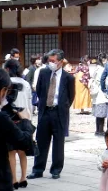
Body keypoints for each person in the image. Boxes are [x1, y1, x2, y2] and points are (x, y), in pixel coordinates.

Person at [29, 49, 75, 180]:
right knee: (41, 141)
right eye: (49, 61)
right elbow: (38, 90)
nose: (50, 63)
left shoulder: (68, 77)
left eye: (53, 61)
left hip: (59, 112)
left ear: (60, 62)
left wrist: (63, 107)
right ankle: (38, 169)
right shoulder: (43, 73)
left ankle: (56, 169)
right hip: (45, 111)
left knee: (58, 143)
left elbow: (71, 96)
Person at [4, 59, 33, 189]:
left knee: (11, 152)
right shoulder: (26, 83)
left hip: (10, 119)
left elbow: (3, 103)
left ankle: (13, 180)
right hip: (24, 118)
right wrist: (29, 120)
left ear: (8, 69)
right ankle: (23, 178)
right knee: (22, 151)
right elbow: (30, 103)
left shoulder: (5, 84)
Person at [89, 55, 108, 136]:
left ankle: (98, 130)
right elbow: (104, 81)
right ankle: (100, 130)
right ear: (104, 60)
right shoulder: (101, 69)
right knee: (101, 114)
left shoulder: (96, 68)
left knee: (98, 114)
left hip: (96, 93)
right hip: (101, 93)